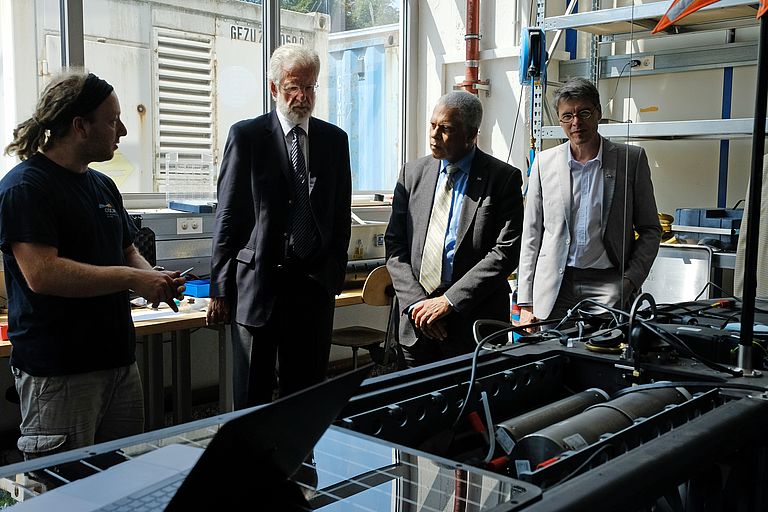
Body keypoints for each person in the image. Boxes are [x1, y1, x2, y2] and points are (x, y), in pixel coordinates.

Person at [0, 71, 186, 458]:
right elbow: (42, 273)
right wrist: (133, 278)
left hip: (118, 363)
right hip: (60, 373)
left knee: (122, 482)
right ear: (80, 126)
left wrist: (154, 278)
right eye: (113, 120)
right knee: (64, 491)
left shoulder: (102, 185)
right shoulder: (25, 188)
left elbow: (126, 249)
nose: (122, 130)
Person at [207, 44, 351, 409]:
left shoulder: (335, 141)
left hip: (313, 289)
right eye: (293, 87)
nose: (302, 96)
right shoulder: (248, 137)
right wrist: (220, 288)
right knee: (252, 400)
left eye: (310, 87)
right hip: (259, 288)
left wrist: (334, 272)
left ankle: (303, 465)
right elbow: (228, 218)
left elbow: (339, 215)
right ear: (274, 89)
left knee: (305, 400)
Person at [385, 91, 524, 367]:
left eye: (446, 129)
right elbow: (395, 246)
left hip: (472, 324)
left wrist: (449, 301)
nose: (434, 135)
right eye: (433, 125)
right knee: (415, 402)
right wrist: (418, 306)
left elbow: (506, 252)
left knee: (468, 407)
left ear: (471, 134)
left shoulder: (502, 179)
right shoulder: (412, 174)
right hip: (417, 324)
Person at [517, 77, 662, 327]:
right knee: (551, 359)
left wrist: (629, 281)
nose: (576, 123)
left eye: (584, 113)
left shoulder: (631, 160)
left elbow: (650, 229)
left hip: (609, 285)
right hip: (555, 287)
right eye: (567, 116)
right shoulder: (543, 163)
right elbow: (532, 234)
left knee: (604, 358)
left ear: (598, 113)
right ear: (560, 119)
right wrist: (525, 300)